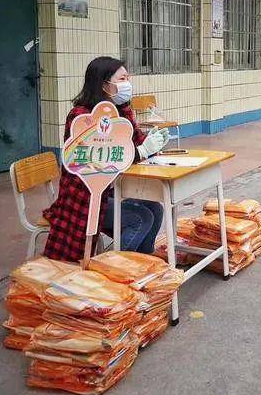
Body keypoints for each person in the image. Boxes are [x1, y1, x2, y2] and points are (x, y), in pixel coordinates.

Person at [43, 57, 170, 262]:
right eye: (122, 79)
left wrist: (153, 141)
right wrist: (142, 151)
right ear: (104, 84)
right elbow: (100, 159)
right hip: (83, 198)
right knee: (141, 218)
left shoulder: (118, 110)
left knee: (155, 208)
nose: (127, 84)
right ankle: (113, 269)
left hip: (108, 191)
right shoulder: (81, 116)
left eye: (128, 78)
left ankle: (142, 263)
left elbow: (135, 141)